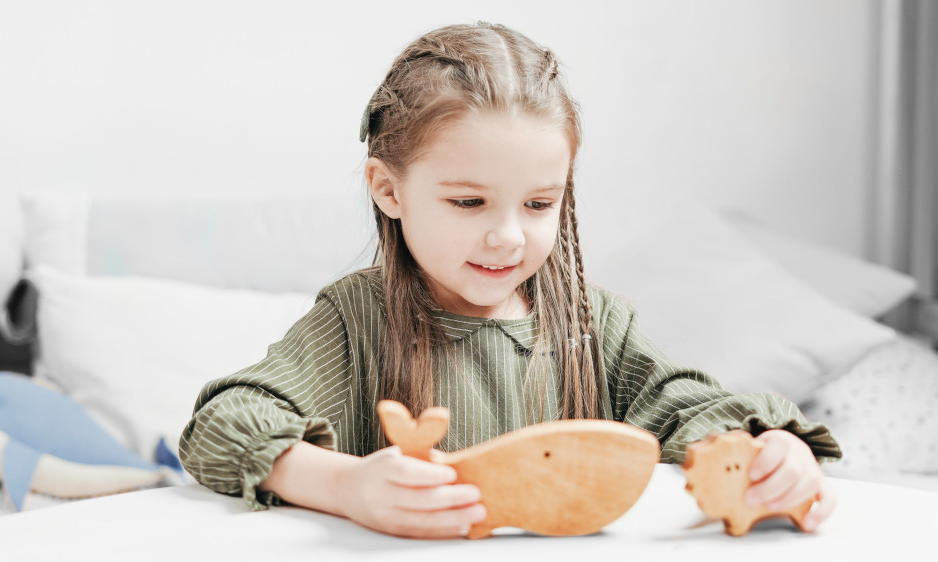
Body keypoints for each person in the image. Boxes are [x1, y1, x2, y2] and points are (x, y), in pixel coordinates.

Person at [179, 22, 840, 539]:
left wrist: (773, 453)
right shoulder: (358, 318)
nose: (508, 236)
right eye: (469, 203)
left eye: (538, 203)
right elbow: (224, 423)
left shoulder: (592, 325)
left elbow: (693, 411)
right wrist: (346, 487)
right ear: (388, 189)